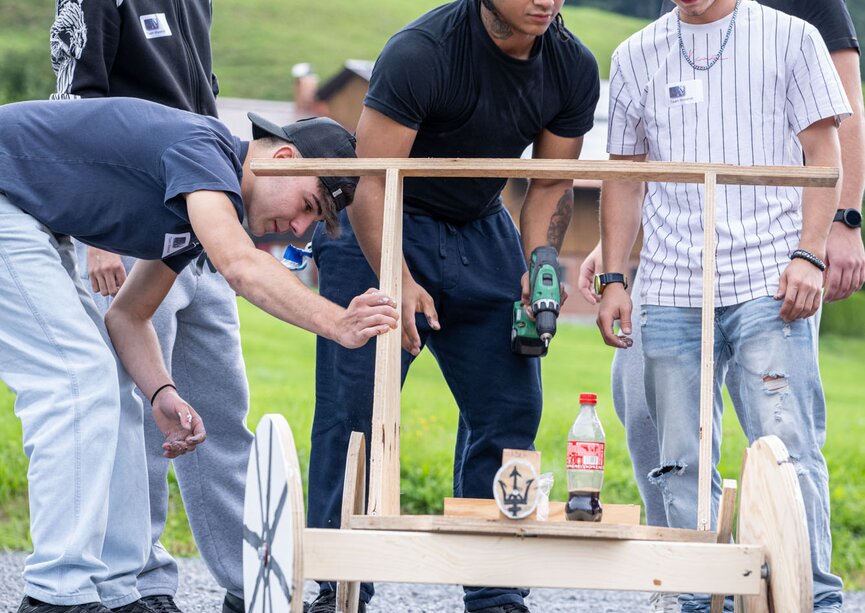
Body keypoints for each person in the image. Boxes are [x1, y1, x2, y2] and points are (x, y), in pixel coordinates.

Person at [0, 97, 398, 613]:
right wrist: (337, 322)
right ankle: (57, 597)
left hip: (29, 217)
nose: (299, 229)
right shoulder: (204, 150)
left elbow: (128, 315)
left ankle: (118, 596)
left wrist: (161, 392)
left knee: (113, 390)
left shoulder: (194, 209)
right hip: (7, 201)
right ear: (282, 160)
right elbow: (239, 265)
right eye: (309, 207)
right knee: (78, 380)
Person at [305, 1, 599, 612]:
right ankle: (341, 584)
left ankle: (494, 589)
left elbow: (548, 184)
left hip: (479, 221)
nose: (547, 0)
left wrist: (541, 257)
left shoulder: (571, 66)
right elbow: (370, 180)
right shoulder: (424, 52)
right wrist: (397, 275)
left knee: (511, 406)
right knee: (352, 404)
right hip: (383, 220)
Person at [580, 1, 864, 610]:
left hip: (770, 280)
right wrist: (613, 278)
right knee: (677, 457)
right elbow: (624, 176)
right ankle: (697, 597)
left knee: (785, 448)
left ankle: (811, 597)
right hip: (673, 286)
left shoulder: (794, 37)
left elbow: (825, 154)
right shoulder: (636, 54)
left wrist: (810, 254)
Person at [48, 2, 250, 611]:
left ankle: (248, 580)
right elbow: (73, 99)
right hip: (126, 226)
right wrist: (96, 235)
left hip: (201, 222)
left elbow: (200, 100)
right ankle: (139, 583)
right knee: (137, 414)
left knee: (221, 409)